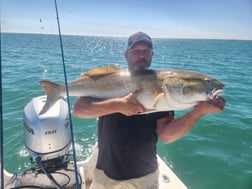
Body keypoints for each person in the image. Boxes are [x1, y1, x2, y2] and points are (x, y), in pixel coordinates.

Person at [72, 31, 226, 189]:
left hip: (145, 176)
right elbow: (78, 110)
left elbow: (166, 135)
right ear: (126, 55)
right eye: (136, 51)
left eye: (145, 51)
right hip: (106, 173)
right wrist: (119, 105)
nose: (141, 55)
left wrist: (198, 111)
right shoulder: (109, 81)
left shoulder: (162, 87)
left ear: (152, 55)